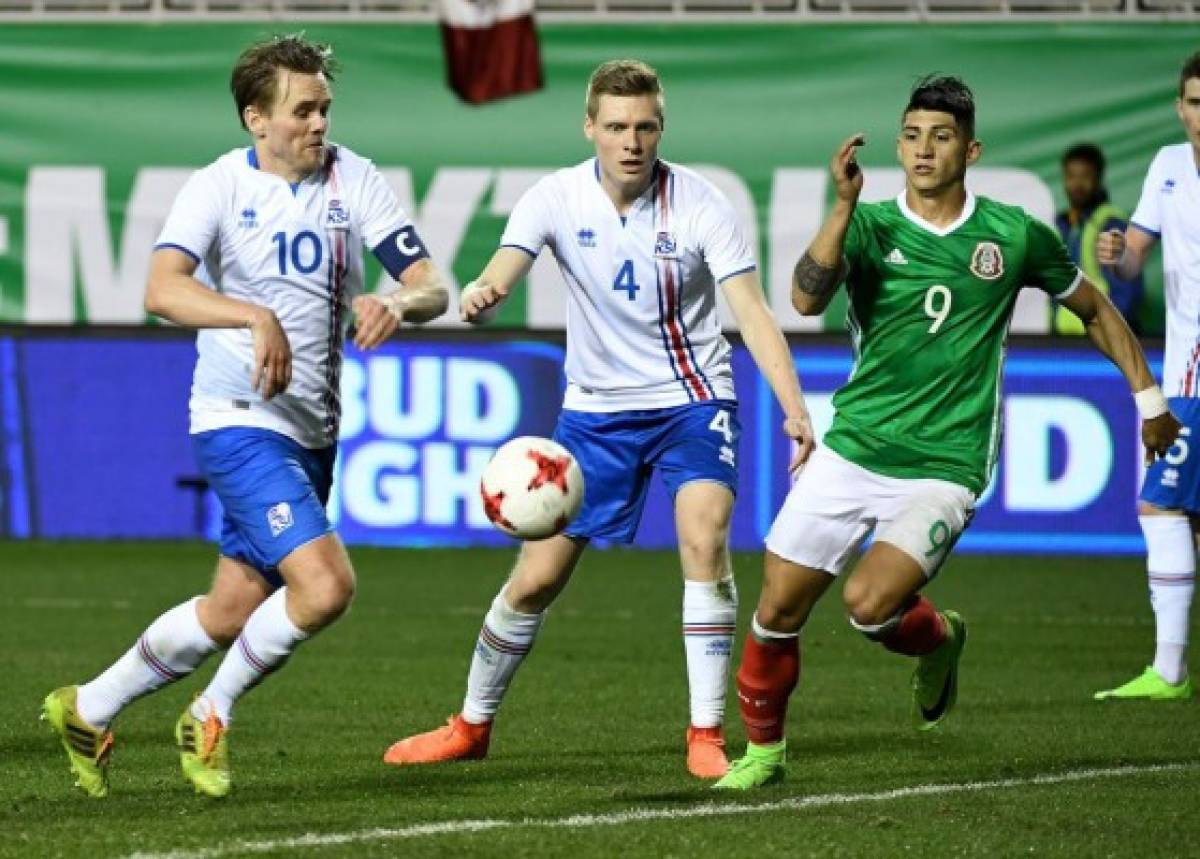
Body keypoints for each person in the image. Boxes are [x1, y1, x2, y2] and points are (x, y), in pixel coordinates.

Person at [714, 75, 1180, 791]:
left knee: (869, 606)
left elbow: (1092, 307)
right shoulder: (869, 225)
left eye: (940, 136)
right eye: (911, 135)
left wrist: (1148, 398)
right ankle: (766, 755)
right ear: (897, 146)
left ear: (971, 147)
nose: (923, 149)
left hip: (947, 460)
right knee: (776, 606)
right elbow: (805, 296)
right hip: (856, 444)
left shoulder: (1012, 234)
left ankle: (940, 638)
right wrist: (842, 206)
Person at [41, 34, 449, 798]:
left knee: (231, 609)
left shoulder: (352, 177)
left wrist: (395, 299)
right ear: (255, 118)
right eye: (303, 111)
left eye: (325, 107)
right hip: (236, 417)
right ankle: (210, 712)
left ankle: (87, 706)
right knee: (325, 586)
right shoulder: (218, 187)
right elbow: (162, 289)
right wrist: (250, 315)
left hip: (311, 432)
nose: (319, 124)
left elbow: (432, 284)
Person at [383, 59, 815, 780]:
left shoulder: (703, 204)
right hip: (595, 414)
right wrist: (489, 288)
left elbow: (751, 312)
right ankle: (471, 724)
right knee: (536, 579)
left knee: (703, 537)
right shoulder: (554, 197)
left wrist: (794, 408)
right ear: (590, 128)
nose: (631, 141)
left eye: (645, 126)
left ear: (660, 127)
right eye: (616, 126)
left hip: (692, 400)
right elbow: (506, 261)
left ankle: (704, 732)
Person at [1093, 52, 1200, 702]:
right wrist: (1117, 255)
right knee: (1182, 513)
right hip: (1182, 356)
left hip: (1194, 370)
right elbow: (1136, 257)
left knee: (1160, 501)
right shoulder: (1166, 165)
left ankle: (1169, 671)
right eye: (1194, 102)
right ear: (1179, 106)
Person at [1051, 142, 1144, 335]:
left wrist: (1109, 335)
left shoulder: (1112, 225)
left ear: (1099, 179)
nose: (1077, 184)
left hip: (1104, 341)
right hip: (1062, 341)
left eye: (1085, 176)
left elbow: (1126, 290)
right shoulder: (1061, 226)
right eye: (1071, 176)